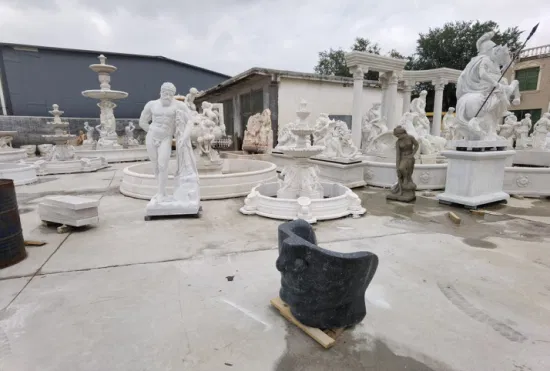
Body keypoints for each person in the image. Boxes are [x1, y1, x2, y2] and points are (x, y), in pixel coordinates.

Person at [139, 82, 193, 201]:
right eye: (164, 93)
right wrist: (152, 130)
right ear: (160, 92)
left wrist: (184, 137)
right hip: (151, 137)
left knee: (162, 164)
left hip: (166, 138)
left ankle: (161, 193)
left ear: (173, 94)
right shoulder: (152, 104)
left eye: (170, 94)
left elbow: (190, 121)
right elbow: (142, 121)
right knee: (155, 166)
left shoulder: (179, 105)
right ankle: (161, 192)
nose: (167, 96)